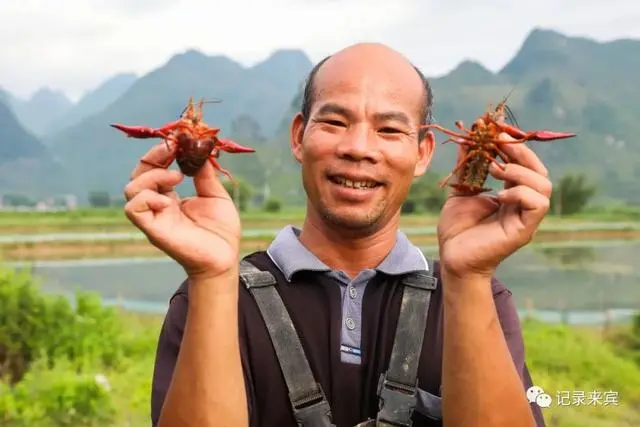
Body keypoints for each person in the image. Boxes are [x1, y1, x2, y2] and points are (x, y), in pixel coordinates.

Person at [124, 43, 550, 427]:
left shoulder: (481, 298)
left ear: (423, 153)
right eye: (334, 121)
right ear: (298, 137)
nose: (359, 147)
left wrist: (470, 277)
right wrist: (213, 276)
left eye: (389, 129)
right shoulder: (207, 298)